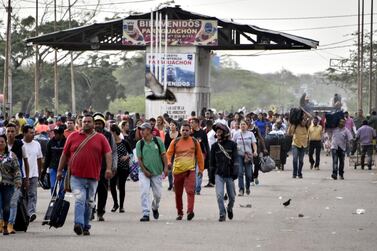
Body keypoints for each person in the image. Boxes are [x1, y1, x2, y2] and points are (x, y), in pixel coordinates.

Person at [57, 114, 112, 236]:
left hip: (93, 176)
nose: (86, 123)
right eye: (84, 121)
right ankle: (78, 224)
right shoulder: (72, 136)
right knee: (80, 199)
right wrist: (59, 170)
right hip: (76, 176)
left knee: (89, 202)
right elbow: (64, 155)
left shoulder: (101, 138)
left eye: (89, 121)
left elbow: (108, 153)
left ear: (93, 124)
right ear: (81, 123)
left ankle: (86, 226)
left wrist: (108, 169)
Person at [166, 123, 204, 221]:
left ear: (190, 131)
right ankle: (180, 213)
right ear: (180, 131)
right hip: (177, 171)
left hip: (190, 171)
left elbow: (200, 156)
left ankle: (190, 211)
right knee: (178, 193)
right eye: (183, 130)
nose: (185, 132)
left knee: (190, 192)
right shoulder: (175, 141)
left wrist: (201, 169)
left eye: (187, 130)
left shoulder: (195, 142)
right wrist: (169, 162)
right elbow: (168, 154)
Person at [136, 122, 168, 222]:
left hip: (157, 172)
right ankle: (146, 213)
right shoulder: (139, 144)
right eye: (140, 130)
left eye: (143, 129)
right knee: (144, 192)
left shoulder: (158, 141)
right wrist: (145, 171)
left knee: (157, 195)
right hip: (143, 172)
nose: (141, 132)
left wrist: (166, 167)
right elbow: (139, 160)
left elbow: (163, 155)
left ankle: (155, 207)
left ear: (149, 130)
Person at [210, 123, 239, 222]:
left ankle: (229, 208)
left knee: (232, 197)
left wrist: (235, 172)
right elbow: (211, 163)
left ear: (225, 133)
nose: (217, 134)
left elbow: (236, 159)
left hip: (230, 174)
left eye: (219, 132)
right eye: (216, 132)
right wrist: (211, 178)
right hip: (219, 174)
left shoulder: (233, 145)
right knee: (219, 195)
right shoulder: (214, 146)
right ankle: (222, 213)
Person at [5, 123, 30, 234]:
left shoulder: (20, 145)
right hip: (3, 179)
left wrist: (27, 178)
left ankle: (11, 224)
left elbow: (26, 162)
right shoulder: (1, 144)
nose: (10, 134)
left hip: (16, 178)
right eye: (8, 131)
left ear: (16, 132)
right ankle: (3, 223)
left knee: (13, 202)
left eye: (12, 131)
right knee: (4, 203)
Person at [93, 113, 118, 222]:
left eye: (99, 123)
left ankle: (100, 212)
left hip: (104, 168)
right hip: (91, 167)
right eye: (96, 123)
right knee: (90, 192)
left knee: (102, 191)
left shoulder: (108, 135)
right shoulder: (89, 134)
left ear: (103, 124)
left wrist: (113, 166)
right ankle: (90, 211)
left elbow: (113, 151)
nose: (97, 125)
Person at [0, 134, 22, 235]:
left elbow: (17, 169)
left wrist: (18, 180)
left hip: (8, 185)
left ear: (5, 143)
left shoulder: (11, 155)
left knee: (6, 207)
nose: (0, 144)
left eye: (2, 142)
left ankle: (6, 224)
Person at [109, 124, 133, 213]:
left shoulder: (124, 142)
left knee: (121, 186)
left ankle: (121, 206)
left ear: (114, 132)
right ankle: (115, 204)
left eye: (110, 131)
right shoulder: (109, 143)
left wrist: (127, 157)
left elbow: (131, 153)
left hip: (123, 167)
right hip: (113, 168)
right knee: (112, 186)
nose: (109, 133)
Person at [22, 125, 43, 222]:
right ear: (25, 133)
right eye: (31, 132)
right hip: (22, 174)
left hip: (34, 174)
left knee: (33, 194)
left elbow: (39, 159)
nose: (33, 134)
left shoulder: (37, 144)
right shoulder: (20, 144)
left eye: (33, 132)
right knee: (23, 195)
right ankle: (25, 214)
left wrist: (39, 172)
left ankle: (31, 213)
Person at [232, 120, 257, 196]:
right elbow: (233, 144)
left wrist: (255, 151)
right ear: (239, 126)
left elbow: (254, 143)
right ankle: (241, 190)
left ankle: (248, 187)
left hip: (248, 156)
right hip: (239, 155)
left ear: (247, 126)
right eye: (241, 124)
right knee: (240, 173)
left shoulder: (251, 134)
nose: (242, 126)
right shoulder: (236, 134)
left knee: (248, 174)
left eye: (244, 124)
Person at [42, 126, 66, 199]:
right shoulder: (50, 142)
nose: (55, 135)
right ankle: (54, 199)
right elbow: (47, 157)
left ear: (61, 134)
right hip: (53, 167)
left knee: (62, 188)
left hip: (63, 168)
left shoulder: (67, 142)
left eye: (57, 133)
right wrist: (44, 169)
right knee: (53, 186)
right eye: (54, 133)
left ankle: (60, 201)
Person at [190, 117, 210, 194]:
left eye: (192, 122)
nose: (191, 124)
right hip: (191, 154)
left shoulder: (203, 133)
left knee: (199, 171)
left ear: (197, 123)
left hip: (201, 154)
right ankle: (193, 187)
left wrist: (207, 155)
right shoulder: (190, 133)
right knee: (192, 172)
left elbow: (206, 144)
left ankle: (197, 189)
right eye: (190, 122)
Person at [164, 120, 180, 191]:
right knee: (170, 170)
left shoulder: (179, 134)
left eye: (173, 125)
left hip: (178, 154)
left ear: (176, 126)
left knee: (176, 170)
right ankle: (171, 184)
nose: (172, 126)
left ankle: (175, 184)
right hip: (169, 154)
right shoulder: (167, 134)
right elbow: (165, 145)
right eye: (170, 125)